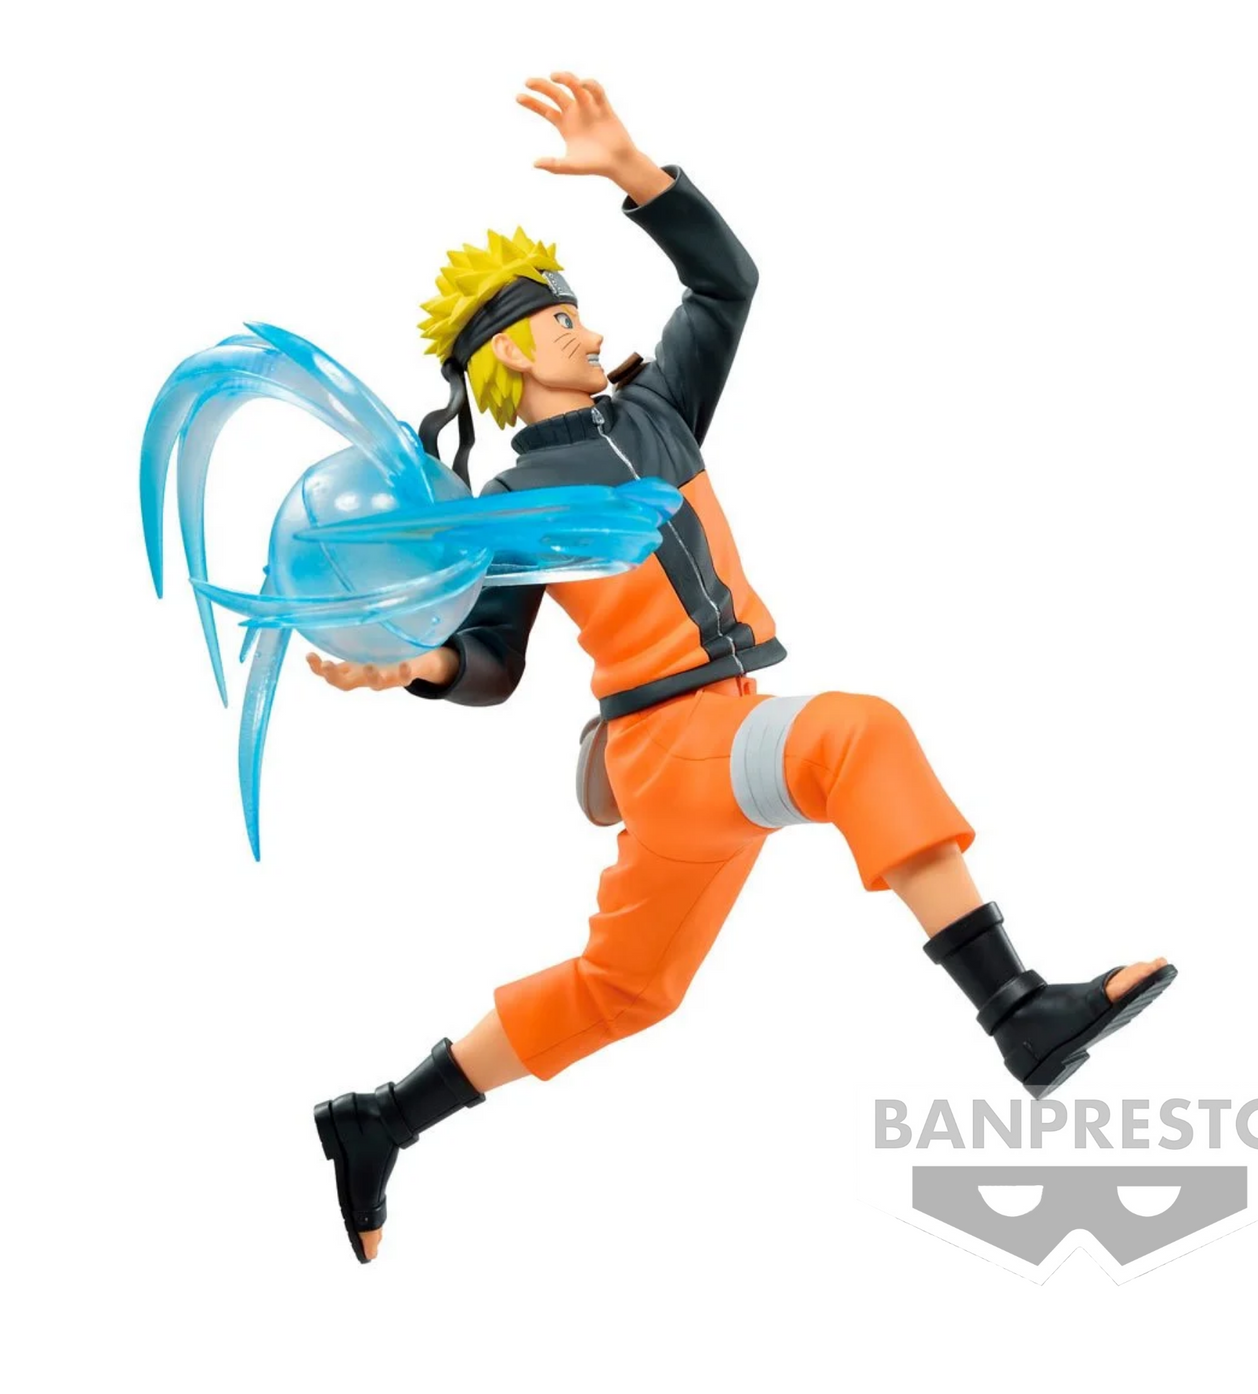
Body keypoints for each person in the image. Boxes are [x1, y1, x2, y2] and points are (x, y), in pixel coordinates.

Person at [309, 72, 1175, 1264]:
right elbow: (492, 661)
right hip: (669, 745)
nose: (585, 329)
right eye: (558, 320)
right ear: (510, 348)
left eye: (578, 310)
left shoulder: (659, 413)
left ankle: (381, 1118)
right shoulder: (508, 504)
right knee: (855, 735)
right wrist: (422, 662)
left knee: (626, 986)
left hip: (721, 738)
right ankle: (1015, 1008)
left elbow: (726, 283)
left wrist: (636, 175)